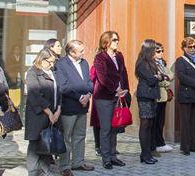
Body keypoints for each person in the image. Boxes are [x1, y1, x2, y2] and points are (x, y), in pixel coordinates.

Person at [54, 40, 95, 174]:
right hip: (69, 106)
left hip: (83, 106)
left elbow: (89, 82)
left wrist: (88, 94)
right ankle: (64, 166)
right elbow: (63, 86)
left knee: (80, 135)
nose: (84, 53)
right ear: (71, 52)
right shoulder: (61, 64)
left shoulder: (84, 63)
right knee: (66, 137)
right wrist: (79, 97)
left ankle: (78, 162)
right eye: (81, 51)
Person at [92, 31, 129, 170]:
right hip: (104, 97)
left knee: (115, 127)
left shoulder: (119, 56)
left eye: (117, 39)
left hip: (118, 96)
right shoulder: (100, 57)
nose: (117, 42)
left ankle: (113, 156)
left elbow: (123, 73)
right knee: (106, 128)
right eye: (114, 40)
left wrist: (125, 89)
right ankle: (106, 158)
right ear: (106, 42)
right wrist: (116, 89)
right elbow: (102, 78)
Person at [25, 49, 62, 176]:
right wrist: (49, 112)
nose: (52, 64)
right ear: (42, 59)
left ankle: (45, 170)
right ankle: (34, 171)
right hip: (39, 115)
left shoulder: (53, 72)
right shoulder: (33, 73)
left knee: (48, 143)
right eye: (50, 62)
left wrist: (58, 109)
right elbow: (35, 95)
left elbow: (59, 91)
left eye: (54, 62)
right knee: (35, 143)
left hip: (53, 113)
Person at [134, 40, 161, 164]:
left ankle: (147, 153)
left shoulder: (151, 62)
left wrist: (158, 77)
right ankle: (144, 154)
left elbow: (157, 77)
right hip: (145, 96)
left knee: (150, 125)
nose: (156, 51)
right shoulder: (142, 63)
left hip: (151, 96)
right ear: (148, 50)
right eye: (154, 49)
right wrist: (158, 77)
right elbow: (151, 79)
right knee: (145, 125)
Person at [152, 43, 173, 155]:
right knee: (155, 122)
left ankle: (160, 142)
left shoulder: (163, 62)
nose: (161, 53)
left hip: (164, 96)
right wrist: (166, 79)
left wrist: (164, 78)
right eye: (158, 51)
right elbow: (158, 79)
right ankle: (156, 143)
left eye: (162, 50)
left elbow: (171, 74)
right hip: (156, 96)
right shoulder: (151, 64)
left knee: (161, 121)